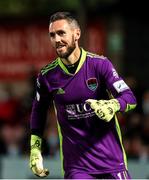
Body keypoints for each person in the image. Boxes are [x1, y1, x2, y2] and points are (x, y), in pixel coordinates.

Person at [29, 11, 137, 179]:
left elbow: (130, 98)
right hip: (77, 168)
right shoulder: (47, 76)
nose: (57, 40)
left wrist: (113, 105)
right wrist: (35, 149)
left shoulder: (100, 65)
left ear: (77, 34)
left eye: (61, 33)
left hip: (112, 162)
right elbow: (38, 111)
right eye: (52, 35)